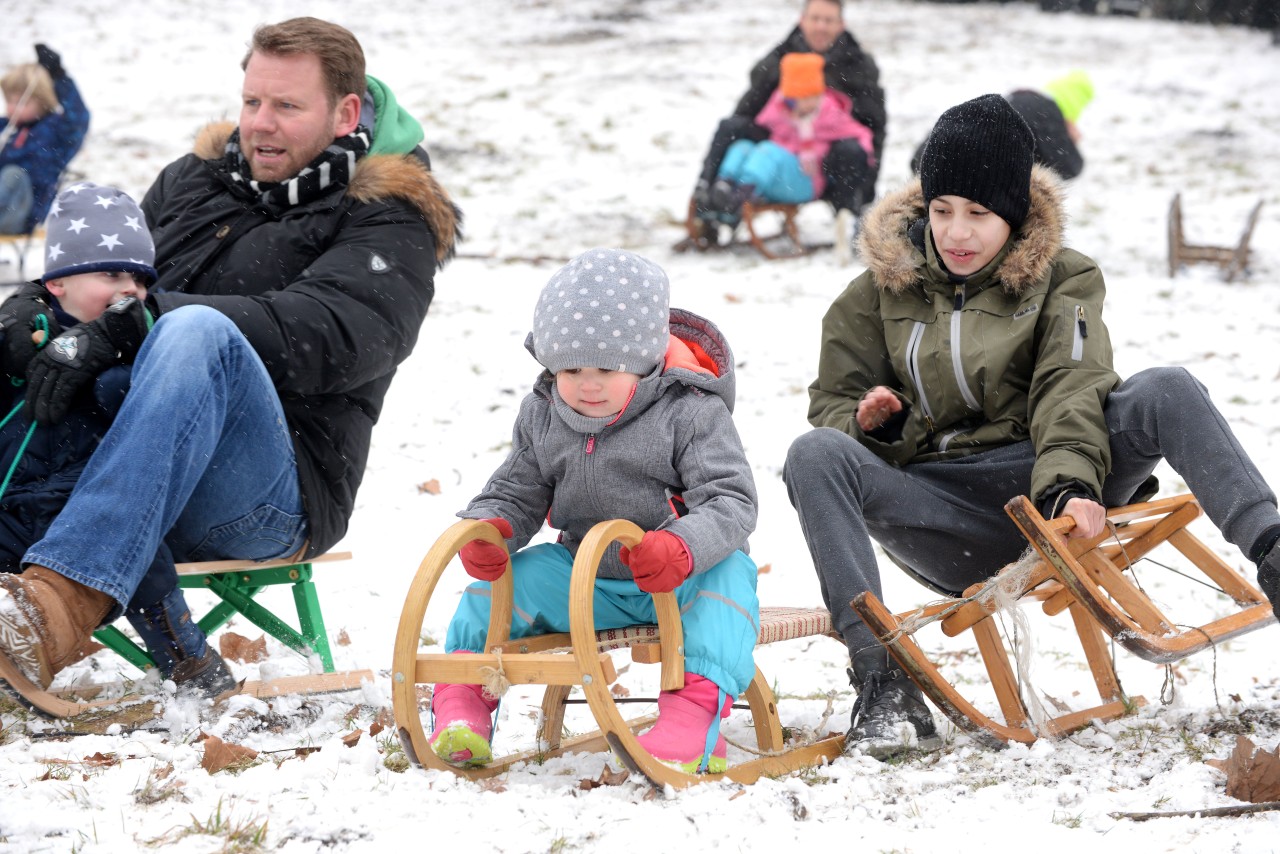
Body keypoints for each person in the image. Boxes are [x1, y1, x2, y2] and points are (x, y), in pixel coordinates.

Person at [783, 94, 1280, 760]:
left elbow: (1068, 387)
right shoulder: (873, 295)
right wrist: (868, 424)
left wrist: (1068, 485)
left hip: (1056, 481)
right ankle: (880, 678)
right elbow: (831, 405)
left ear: (1014, 216)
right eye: (942, 210)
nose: (957, 233)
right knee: (813, 453)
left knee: (1165, 387)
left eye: (979, 214)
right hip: (944, 513)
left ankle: (1273, 551)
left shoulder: (1061, 280)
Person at [0, 17, 459, 709]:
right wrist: (33, 306)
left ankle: (58, 606)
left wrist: (140, 324)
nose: (260, 124)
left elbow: (335, 334)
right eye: (252, 102)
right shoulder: (196, 180)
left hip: (263, 493)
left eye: (286, 106)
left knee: (197, 334)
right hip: (117, 461)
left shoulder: (389, 219)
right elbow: (111, 270)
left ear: (346, 113)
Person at [428, 248, 759, 773]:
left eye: (607, 368)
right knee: (496, 591)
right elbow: (518, 487)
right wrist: (493, 530)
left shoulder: (690, 411)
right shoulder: (544, 413)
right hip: (587, 575)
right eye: (570, 368)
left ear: (646, 360)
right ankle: (464, 699)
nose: (587, 384)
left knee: (728, 582)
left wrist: (684, 546)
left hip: (679, 573)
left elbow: (731, 500)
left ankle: (693, 718)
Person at [0, 182, 235, 695]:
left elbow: (158, 396)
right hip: (11, 504)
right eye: (110, 274)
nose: (129, 288)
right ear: (57, 283)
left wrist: (120, 348)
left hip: (83, 499)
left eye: (139, 279)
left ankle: (187, 657)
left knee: (131, 538)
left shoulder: (138, 348)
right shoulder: (25, 331)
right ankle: (13, 655)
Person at [690, 0, 886, 238]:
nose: (821, 27)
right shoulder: (781, 58)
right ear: (802, 20)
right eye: (815, 19)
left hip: (829, 157)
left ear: (841, 24)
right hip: (780, 137)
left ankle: (849, 216)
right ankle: (708, 201)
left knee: (852, 149)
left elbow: (873, 129)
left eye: (828, 20)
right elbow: (747, 109)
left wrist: (867, 191)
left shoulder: (857, 67)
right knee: (731, 126)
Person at [702, 52, 876, 225]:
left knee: (768, 151)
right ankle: (724, 184)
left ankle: (743, 194)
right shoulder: (779, 108)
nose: (808, 103)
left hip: (805, 181)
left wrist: (866, 157)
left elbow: (860, 134)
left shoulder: (828, 113)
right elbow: (761, 127)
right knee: (743, 146)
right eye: (801, 98)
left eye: (813, 97)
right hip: (773, 176)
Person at [909, 72, 1094, 181]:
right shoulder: (1046, 113)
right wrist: (1071, 139)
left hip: (931, 159)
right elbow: (1070, 166)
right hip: (960, 176)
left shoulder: (1021, 99)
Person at [0, 44, 90, 235]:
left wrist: (59, 76)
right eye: (9, 101)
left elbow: (79, 118)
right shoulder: (7, 129)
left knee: (13, 174)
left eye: (21, 101)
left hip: (20, 213)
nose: (12, 108)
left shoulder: (56, 132)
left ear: (43, 100)